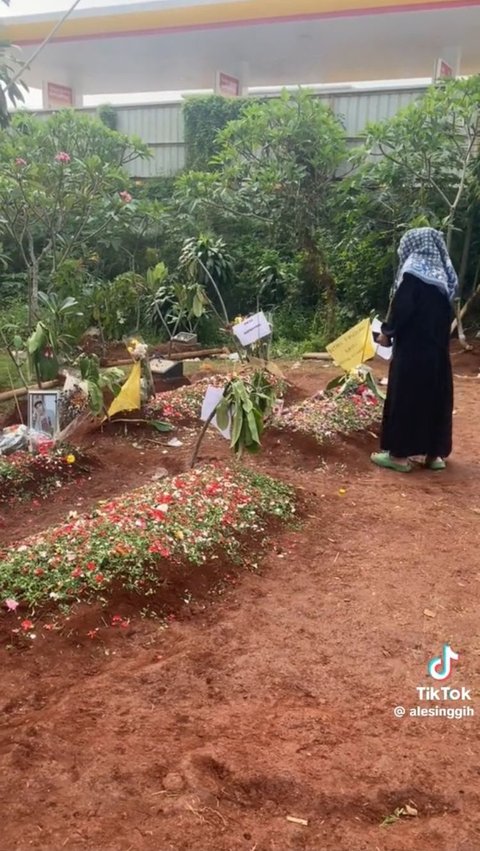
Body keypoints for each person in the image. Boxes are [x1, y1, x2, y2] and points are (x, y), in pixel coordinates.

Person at [371, 227, 458, 473]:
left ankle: (398, 456)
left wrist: (387, 333)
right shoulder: (444, 280)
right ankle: (434, 455)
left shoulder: (412, 275)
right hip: (438, 355)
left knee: (406, 398)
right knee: (435, 398)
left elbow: (403, 310)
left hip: (412, 354)